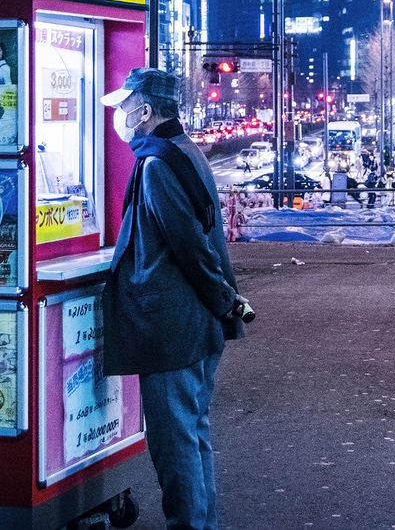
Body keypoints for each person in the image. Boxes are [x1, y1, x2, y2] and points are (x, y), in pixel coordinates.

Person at [100, 68, 248, 529]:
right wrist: (223, 304)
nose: (121, 116)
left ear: (145, 110)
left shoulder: (157, 165)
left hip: (172, 330)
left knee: (175, 445)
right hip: (195, 325)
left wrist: (224, 300)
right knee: (193, 436)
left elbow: (188, 244)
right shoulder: (185, 151)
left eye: (126, 107)